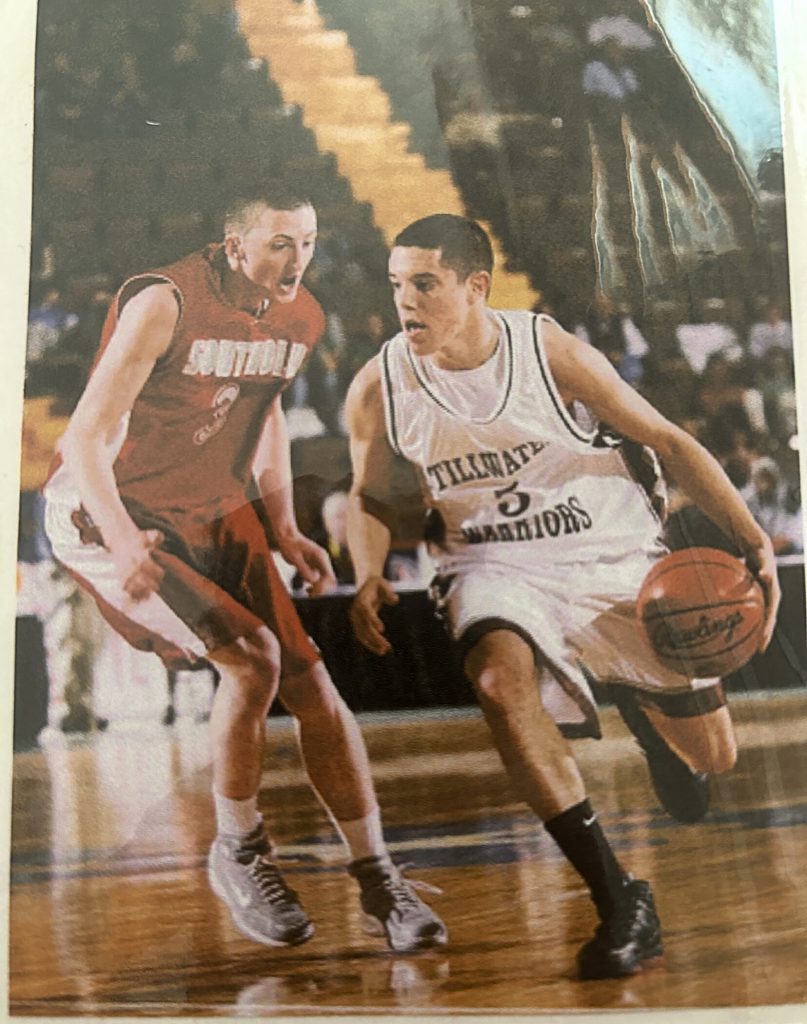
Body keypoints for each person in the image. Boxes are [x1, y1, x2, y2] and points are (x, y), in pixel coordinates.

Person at [344, 214, 779, 979]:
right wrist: (369, 568)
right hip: (490, 563)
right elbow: (371, 493)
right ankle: (619, 898)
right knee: (496, 684)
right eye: (394, 285)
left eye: (423, 283)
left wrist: (751, 540)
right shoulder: (380, 382)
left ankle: (642, 714)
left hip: (607, 551)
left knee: (711, 758)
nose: (403, 301)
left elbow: (667, 441)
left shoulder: (548, 351)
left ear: (474, 286)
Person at [42, 186, 446, 954]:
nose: (297, 260)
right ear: (235, 249)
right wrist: (127, 545)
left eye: (308, 242)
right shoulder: (163, 303)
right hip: (111, 511)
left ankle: (378, 878)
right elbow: (87, 439)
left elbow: (258, 419)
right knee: (252, 662)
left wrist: (285, 523)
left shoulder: (300, 317)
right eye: (279, 244)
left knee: (312, 682)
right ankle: (237, 847)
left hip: (210, 499)